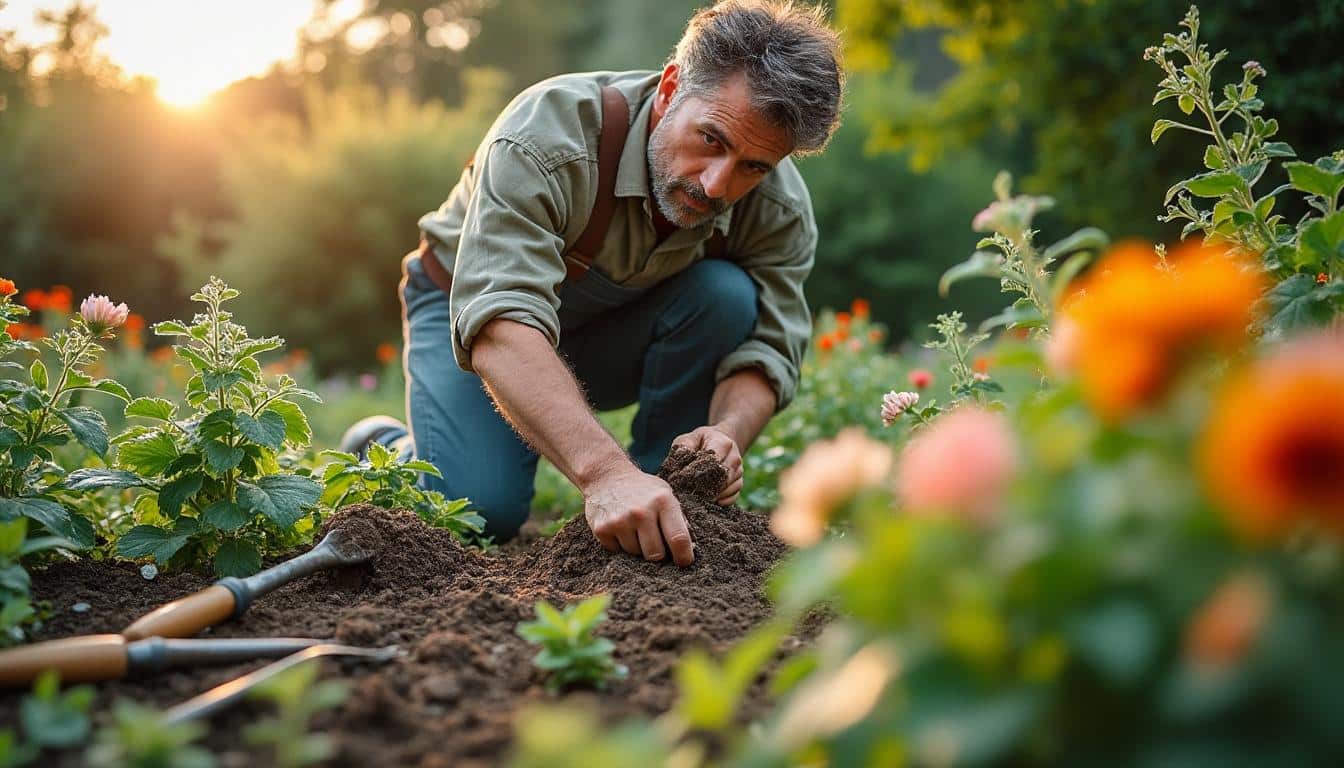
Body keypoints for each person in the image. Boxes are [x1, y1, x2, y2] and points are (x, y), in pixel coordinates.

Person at [341, 0, 843, 567]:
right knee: (478, 510)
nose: (716, 185)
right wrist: (604, 473)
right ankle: (385, 450)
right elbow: (500, 320)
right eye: (711, 139)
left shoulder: (779, 208)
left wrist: (725, 434)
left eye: (754, 166)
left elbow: (771, 348)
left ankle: (663, 496)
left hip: (611, 330)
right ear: (671, 88)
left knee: (726, 294)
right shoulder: (547, 136)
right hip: (479, 316)